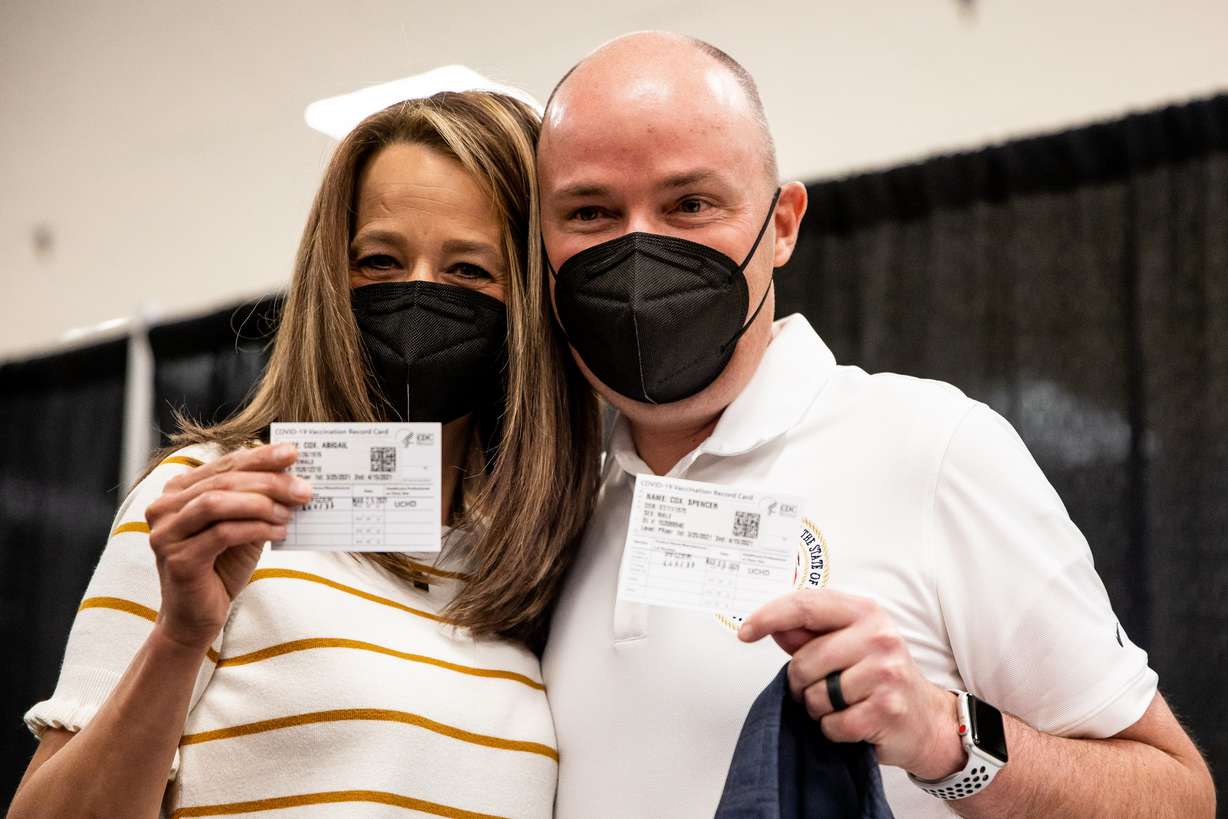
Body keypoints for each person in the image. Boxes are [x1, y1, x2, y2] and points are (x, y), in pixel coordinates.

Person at [537, 32, 1216, 818]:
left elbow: (1179, 794)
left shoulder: (932, 446)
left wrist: (942, 734)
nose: (638, 250)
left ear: (783, 224)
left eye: (690, 203)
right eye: (589, 211)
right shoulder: (555, 506)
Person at [11, 91, 601, 819]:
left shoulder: (523, 566)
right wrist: (179, 635)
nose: (419, 291)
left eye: (469, 270)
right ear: (333, 276)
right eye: (380, 260)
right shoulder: (208, 506)